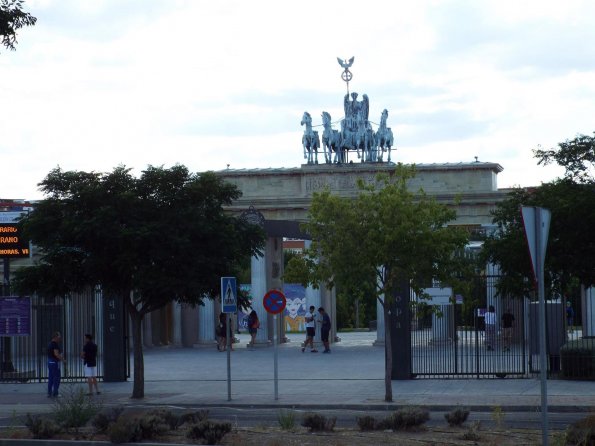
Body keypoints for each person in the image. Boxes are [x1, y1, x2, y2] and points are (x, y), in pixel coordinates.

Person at [47, 331, 64, 397]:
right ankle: (55, 393)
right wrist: (63, 359)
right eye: (59, 337)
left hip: (50, 362)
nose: (60, 338)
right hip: (54, 362)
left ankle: (49, 392)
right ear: (55, 337)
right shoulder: (55, 344)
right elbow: (56, 354)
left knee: (51, 377)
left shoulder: (50, 344)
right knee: (56, 377)